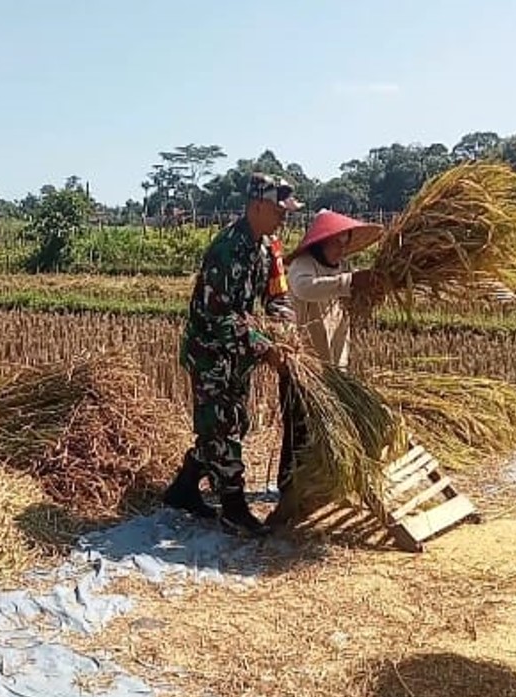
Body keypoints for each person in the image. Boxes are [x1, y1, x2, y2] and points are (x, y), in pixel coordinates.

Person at [163, 172, 301, 537]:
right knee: (222, 425)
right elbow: (218, 315)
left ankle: (183, 488)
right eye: (278, 209)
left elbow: (278, 296)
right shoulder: (227, 249)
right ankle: (234, 508)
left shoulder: (269, 246)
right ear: (257, 206)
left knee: (231, 422)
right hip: (210, 352)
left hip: (239, 354)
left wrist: (284, 328)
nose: (284, 216)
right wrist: (265, 347)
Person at [266, 209, 385, 526]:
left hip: (335, 368)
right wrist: (349, 282)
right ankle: (288, 499)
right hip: (304, 369)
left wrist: (371, 289)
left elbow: (348, 291)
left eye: (345, 243)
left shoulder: (343, 267)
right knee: (300, 434)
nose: (341, 249)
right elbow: (306, 288)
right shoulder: (303, 267)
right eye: (336, 243)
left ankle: (323, 489)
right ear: (321, 243)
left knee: (332, 435)